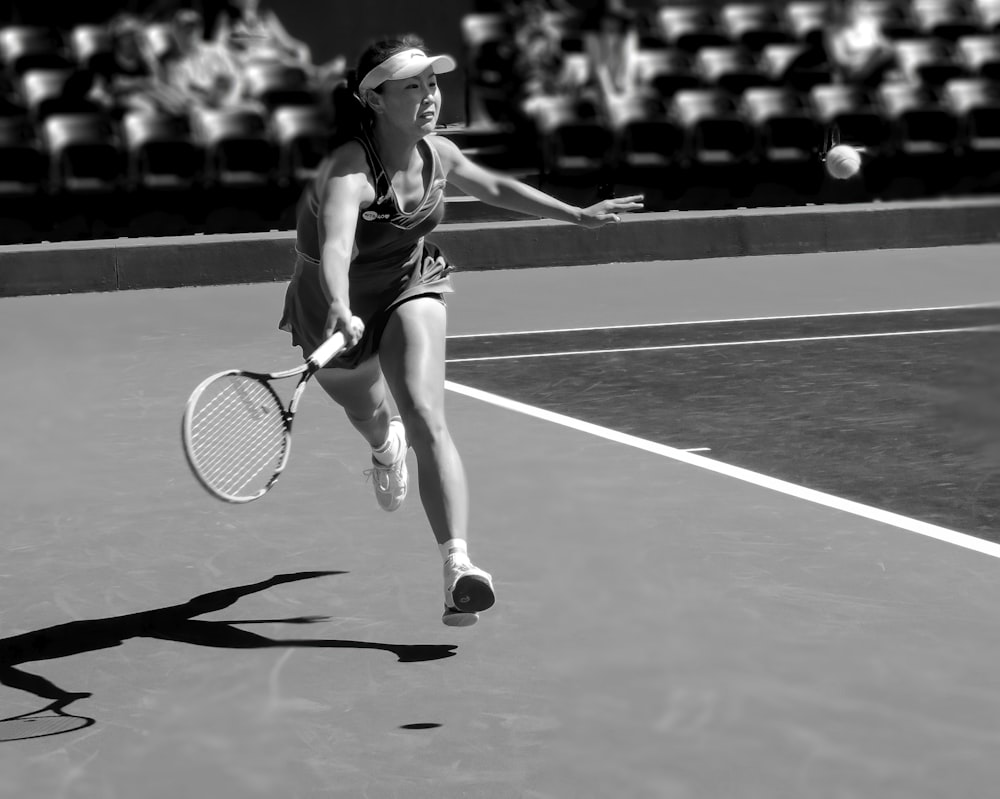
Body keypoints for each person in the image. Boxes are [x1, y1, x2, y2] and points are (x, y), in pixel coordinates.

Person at [278, 34, 643, 627]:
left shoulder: (438, 154)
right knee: (370, 413)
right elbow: (337, 246)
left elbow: (493, 186)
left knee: (425, 414)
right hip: (329, 304)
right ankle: (381, 445)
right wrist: (341, 309)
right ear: (374, 99)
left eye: (433, 83)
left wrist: (577, 215)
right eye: (411, 86)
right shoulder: (348, 170)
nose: (429, 97)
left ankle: (458, 568)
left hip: (408, 283)